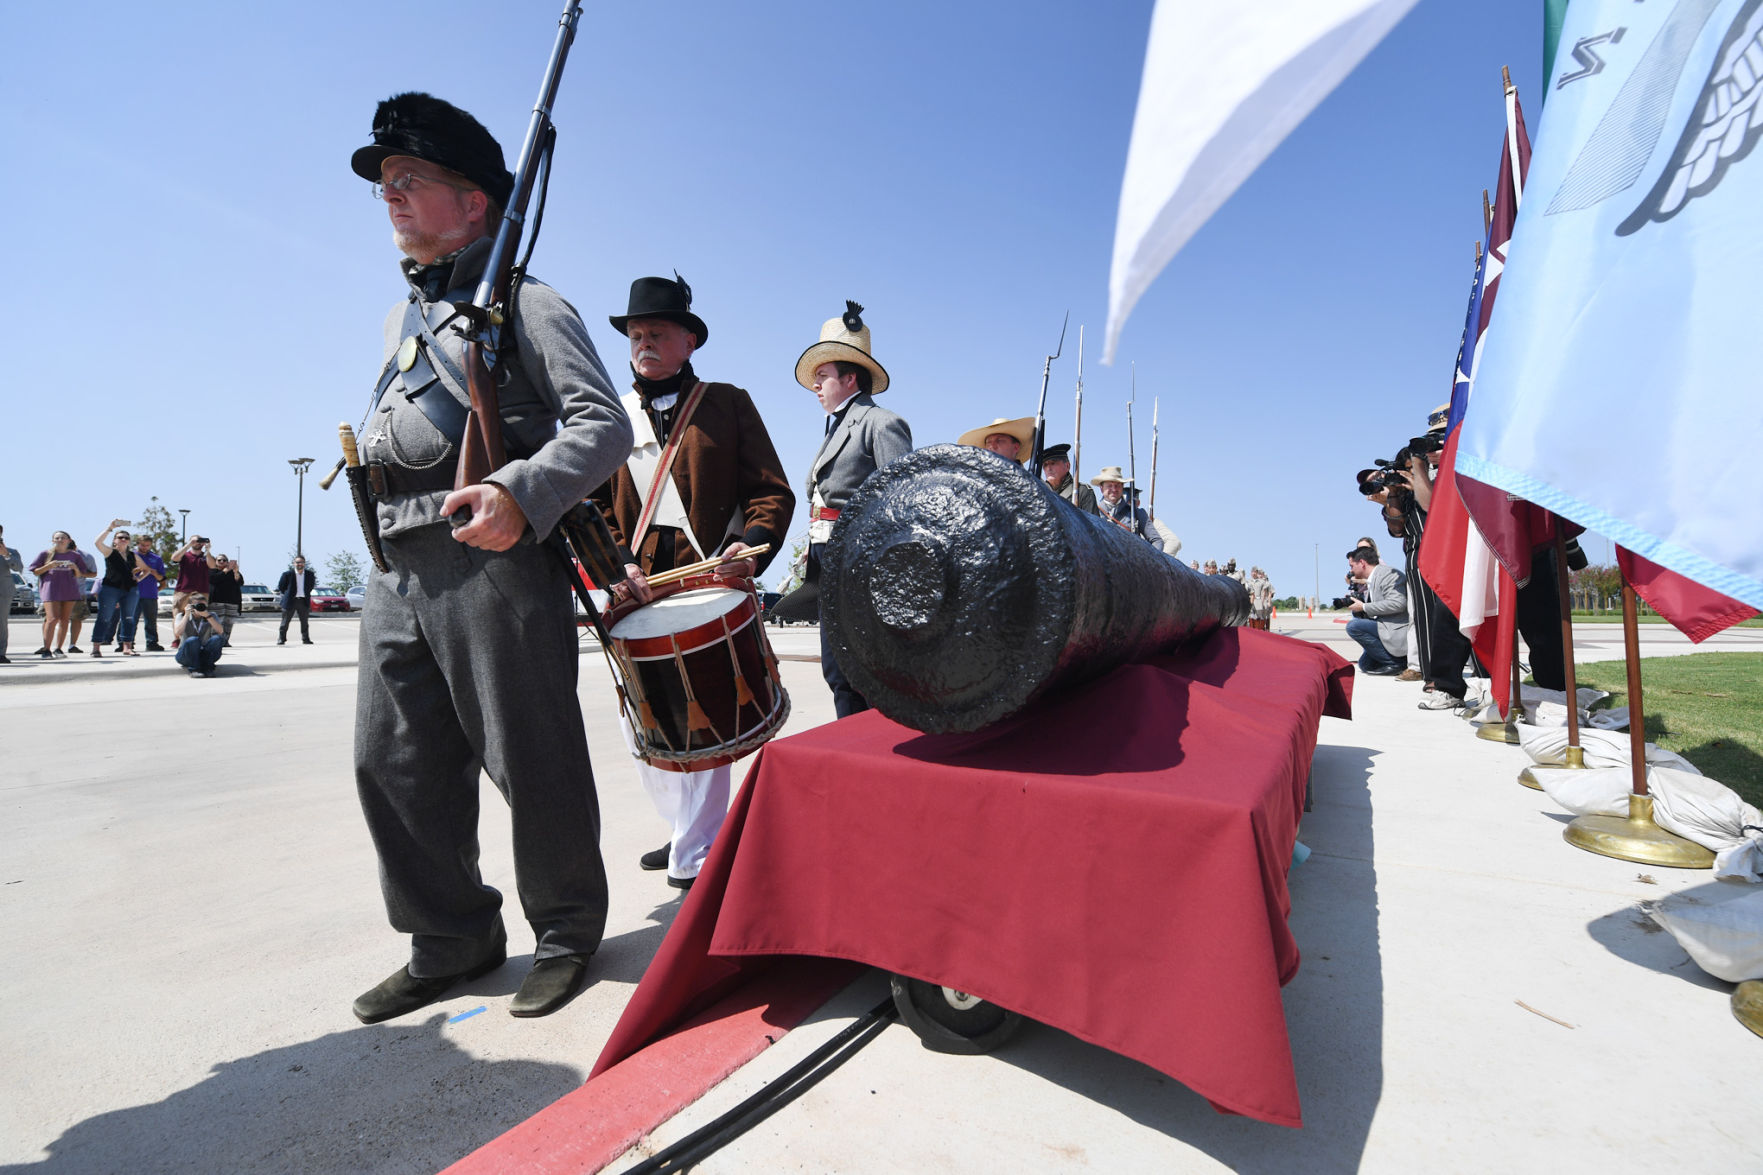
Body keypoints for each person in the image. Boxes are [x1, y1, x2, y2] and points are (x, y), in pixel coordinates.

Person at [346, 92, 633, 1023]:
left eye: (408, 180)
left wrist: (522, 492)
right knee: (391, 759)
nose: (389, 196)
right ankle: (451, 936)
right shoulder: (403, 318)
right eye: (384, 183)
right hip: (397, 560)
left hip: (489, 550)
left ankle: (564, 930)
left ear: (476, 203)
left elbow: (602, 425)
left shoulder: (530, 302)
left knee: (530, 753)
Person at [590, 273, 794, 890]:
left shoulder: (727, 402)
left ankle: (698, 851)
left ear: (689, 341)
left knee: (702, 702)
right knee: (644, 724)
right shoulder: (606, 414)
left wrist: (752, 548)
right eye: (635, 333)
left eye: (657, 331)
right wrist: (615, 564)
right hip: (637, 586)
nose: (643, 341)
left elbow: (770, 490)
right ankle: (684, 825)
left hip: (708, 575)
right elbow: (592, 507)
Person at [796, 301, 912, 717]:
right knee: (837, 670)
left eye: (823, 376)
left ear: (849, 378)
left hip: (860, 562)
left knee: (859, 671)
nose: (816, 384)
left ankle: (871, 757)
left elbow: (901, 504)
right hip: (828, 558)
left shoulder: (881, 423)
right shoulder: (836, 427)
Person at [1344, 547, 1409, 674]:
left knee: (1353, 626)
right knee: (1365, 664)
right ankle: (1394, 660)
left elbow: (1398, 603)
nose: (1351, 571)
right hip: (1384, 626)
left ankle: (1397, 663)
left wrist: (1364, 607)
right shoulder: (1373, 578)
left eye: (1352, 566)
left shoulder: (1388, 574)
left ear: (1362, 563)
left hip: (1396, 630)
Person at [29, 531, 89, 658]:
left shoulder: (75, 556)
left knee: (65, 619)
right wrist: (49, 565)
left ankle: (59, 648)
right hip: (51, 589)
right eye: (57, 538)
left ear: (69, 540)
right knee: (52, 618)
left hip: (69, 589)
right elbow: (35, 571)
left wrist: (75, 568)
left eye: (63, 538)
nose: (60, 540)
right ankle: (46, 649)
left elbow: (80, 574)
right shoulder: (45, 554)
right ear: (53, 540)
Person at [90, 521, 139, 657]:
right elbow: (97, 543)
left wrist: (138, 577)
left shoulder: (132, 555)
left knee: (128, 618)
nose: (123, 539)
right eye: (120, 537)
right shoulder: (110, 552)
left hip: (130, 589)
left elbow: (145, 569)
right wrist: (110, 528)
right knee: (104, 618)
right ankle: (96, 647)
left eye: (126, 538)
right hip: (111, 588)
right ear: (114, 541)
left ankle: (127, 647)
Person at [1091, 467, 1162, 549]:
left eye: (1117, 485)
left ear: (1122, 487)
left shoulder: (1137, 513)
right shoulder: (1093, 513)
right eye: (1109, 486)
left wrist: (1149, 560)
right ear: (1101, 488)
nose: (1114, 489)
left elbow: (1157, 541)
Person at [173, 592, 226, 677]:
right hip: (186, 655)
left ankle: (208, 668)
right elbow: (178, 633)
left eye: (203, 606)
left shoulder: (211, 615)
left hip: (204, 654)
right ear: (190, 606)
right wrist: (186, 615)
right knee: (193, 640)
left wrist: (208, 616)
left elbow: (220, 631)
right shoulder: (181, 616)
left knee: (218, 638)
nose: (200, 608)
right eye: (197, 605)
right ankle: (194, 670)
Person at [170, 536, 218, 626]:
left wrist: (208, 550)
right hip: (183, 590)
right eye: (195, 541)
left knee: (201, 616)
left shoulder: (206, 556)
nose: (198, 543)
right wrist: (188, 545)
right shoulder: (184, 555)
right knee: (178, 615)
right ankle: (177, 638)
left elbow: (212, 566)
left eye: (200, 541)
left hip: (201, 591)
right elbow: (174, 558)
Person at [131, 535, 167, 652]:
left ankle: (152, 643)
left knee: (151, 621)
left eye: (147, 545)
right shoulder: (131, 556)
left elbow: (162, 579)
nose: (145, 548)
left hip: (150, 594)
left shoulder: (156, 559)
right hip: (133, 593)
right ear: (137, 544)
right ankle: (126, 642)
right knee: (130, 619)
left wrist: (154, 573)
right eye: (142, 545)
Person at [1039, 443, 1098, 514]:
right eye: (1045, 465)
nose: (1048, 468)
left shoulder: (1082, 492)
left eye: (1053, 463)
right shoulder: (1041, 492)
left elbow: (1092, 523)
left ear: (1067, 466)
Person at [955, 416, 1035, 464]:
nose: (992, 446)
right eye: (988, 442)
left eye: (999, 441)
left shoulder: (1032, 482)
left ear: (1016, 447)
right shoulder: (976, 478)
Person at [276, 556, 315, 645]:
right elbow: (281, 587)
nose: (299, 564)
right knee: (285, 622)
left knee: (304, 622)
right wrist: (288, 594)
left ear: (304, 563)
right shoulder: (287, 574)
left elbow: (310, 586)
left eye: (301, 562)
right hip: (290, 601)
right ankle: (281, 639)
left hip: (303, 601)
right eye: (297, 562)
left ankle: (306, 639)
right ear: (294, 563)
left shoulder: (309, 574)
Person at [208, 555, 243, 645]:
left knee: (229, 623)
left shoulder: (233, 572)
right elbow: (214, 580)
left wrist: (235, 571)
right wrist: (225, 570)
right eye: (219, 560)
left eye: (224, 560)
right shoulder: (213, 571)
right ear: (215, 562)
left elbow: (240, 582)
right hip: (217, 601)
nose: (222, 562)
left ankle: (225, 641)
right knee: (217, 622)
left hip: (232, 601)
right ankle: (215, 641)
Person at [0, 525, 20, 664]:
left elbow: (19, 568)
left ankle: (1, 653)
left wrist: (6, 555)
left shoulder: (11, 552)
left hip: (3, 591)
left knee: (1, 623)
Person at [1248, 566, 1276, 631]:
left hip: (1259, 600)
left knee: (1260, 617)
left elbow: (1267, 593)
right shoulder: (1248, 581)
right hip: (1250, 601)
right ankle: (1253, 631)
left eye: (1255, 572)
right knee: (1251, 616)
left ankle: (1262, 630)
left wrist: (1265, 601)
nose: (1253, 574)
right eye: (1252, 572)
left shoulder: (1262, 582)